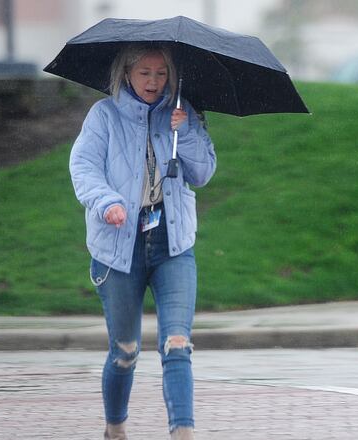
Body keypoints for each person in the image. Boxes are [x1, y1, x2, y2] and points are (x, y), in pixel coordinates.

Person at [69, 43, 216, 440]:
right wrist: (107, 202)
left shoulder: (182, 114)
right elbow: (83, 167)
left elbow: (202, 174)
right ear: (127, 74)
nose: (154, 82)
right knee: (126, 350)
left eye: (162, 73)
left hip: (173, 244)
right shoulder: (104, 115)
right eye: (145, 73)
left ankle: (183, 433)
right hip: (119, 247)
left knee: (177, 344)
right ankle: (115, 428)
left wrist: (184, 131)